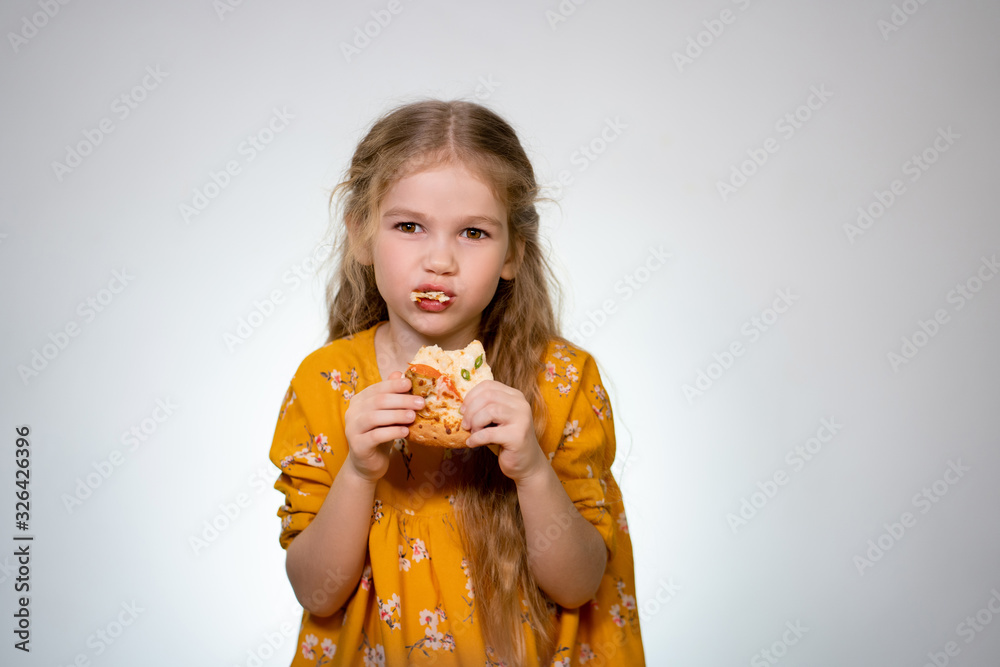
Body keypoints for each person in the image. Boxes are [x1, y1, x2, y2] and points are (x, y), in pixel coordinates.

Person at [268, 99, 645, 666]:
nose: (439, 260)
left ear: (513, 252)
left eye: (472, 232)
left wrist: (531, 470)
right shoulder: (327, 382)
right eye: (409, 226)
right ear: (362, 236)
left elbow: (579, 585)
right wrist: (358, 470)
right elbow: (316, 593)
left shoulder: (561, 381)